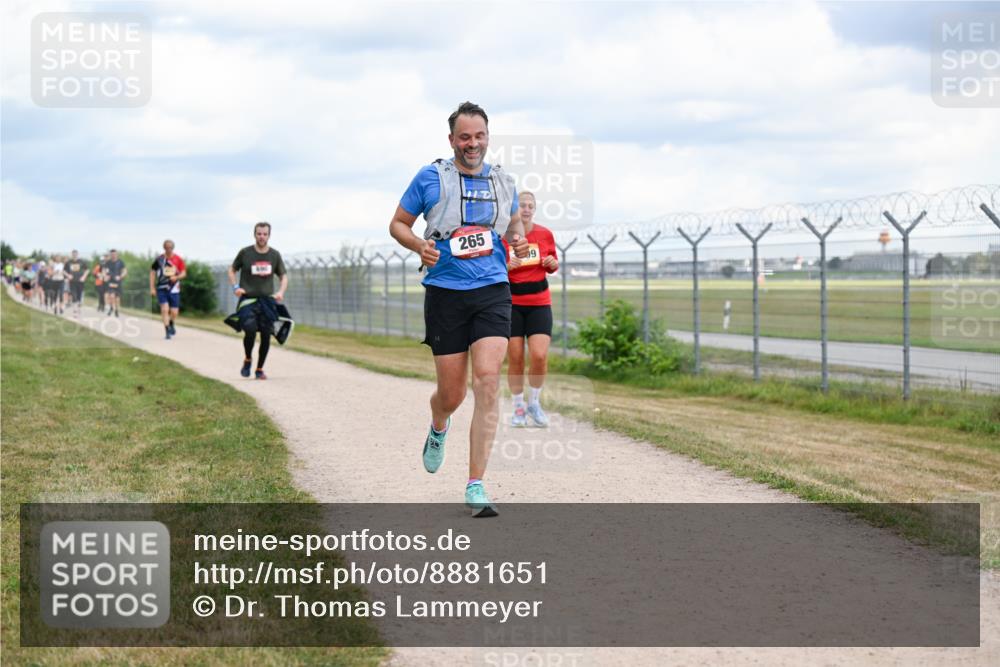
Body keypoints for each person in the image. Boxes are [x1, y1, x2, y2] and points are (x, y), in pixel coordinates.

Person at [389, 101, 528, 517]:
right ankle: (438, 423)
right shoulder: (430, 177)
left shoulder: (504, 181)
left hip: (492, 289)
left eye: (479, 136)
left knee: (487, 381)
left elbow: (514, 224)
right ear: (452, 140)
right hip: (446, 293)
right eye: (464, 137)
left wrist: (518, 240)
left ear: (488, 136)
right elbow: (398, 222)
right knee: (451, 394)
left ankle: (475, 484)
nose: (473, 144)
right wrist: (419, 245)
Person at [501, 192, 558, 427]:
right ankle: (518, 408)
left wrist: (552, 264)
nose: (525, 209)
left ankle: (534, 402)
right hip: (512, 303)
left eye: (530, 206)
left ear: (534, 209)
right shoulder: (504, 236)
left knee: (539, 355)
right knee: (515, 357)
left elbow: (553, 262)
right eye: (521, 205)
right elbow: (493, 268)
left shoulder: (544, 234)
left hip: (539, 303)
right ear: (514, 209)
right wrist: (506, 265)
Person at [227, 222, 288, 379]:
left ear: (269, 235)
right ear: (254, 234)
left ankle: (259, 369)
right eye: (259, 233)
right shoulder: (245, 253)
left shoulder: (274, 255)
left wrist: (280, 291)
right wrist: (236, 287)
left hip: (267, 301)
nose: (262, 237)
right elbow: (232, 270)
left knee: (267, 335)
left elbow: (283, 276)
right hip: (248, 300)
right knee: (250, 330)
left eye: (265, 234)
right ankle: (248, 358)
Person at [149, 240, 187, 339]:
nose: (168, 249)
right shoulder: (159, 259)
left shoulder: (178, 259)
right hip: (161, 288)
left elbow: (183, 273)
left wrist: (176, 277)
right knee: (165, 309)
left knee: (174, 312)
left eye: (170, 247)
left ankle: (171, 323)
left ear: (173, 248)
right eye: (167, 247)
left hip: (174, 288)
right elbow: (152, 273)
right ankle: (167, 332)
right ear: (164, 248)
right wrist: (152, 288)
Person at [64, 250, 90, 316]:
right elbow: (64, 271)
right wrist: (68, 275)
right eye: (73, 254)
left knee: (79, 296)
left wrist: (84, 277)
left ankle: (78, 309)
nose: (74, 255)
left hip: (80, 281)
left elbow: (87, 270)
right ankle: (75, 311)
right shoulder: (68, 262)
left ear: (77, 254)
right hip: (72, 281)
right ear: (72, 254)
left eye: (75, 254)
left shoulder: (81, 261)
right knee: (74, 295)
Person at [104, 249, 127, 317]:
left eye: (114, 254)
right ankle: (111, 307)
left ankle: (116, 310)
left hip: (118, 282)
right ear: (110, 255)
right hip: (110, 281)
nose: (113, 256)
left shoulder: (120, 262)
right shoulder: (108, 263)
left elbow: (125, 271)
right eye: (112, 254)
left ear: (117, 254)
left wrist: (120, 276)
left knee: (117, 298)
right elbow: (104, 271)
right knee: (111, 296)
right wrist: (105, 276)